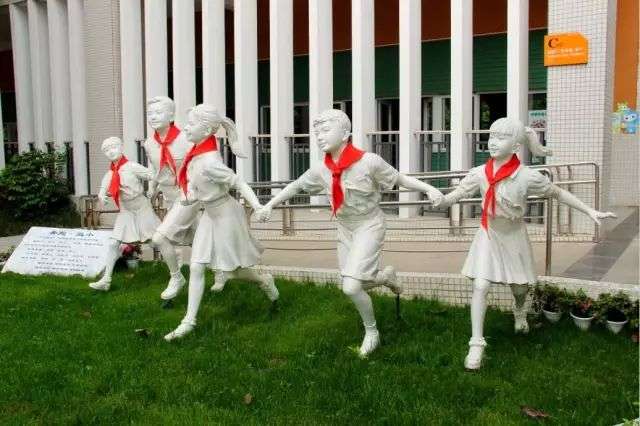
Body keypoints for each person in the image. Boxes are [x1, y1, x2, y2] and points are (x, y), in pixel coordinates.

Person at [256, 109, 444, 357]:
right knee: (354, 280)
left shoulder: (369, 162)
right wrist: (269, 205)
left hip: (369, 224)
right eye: (316, 133)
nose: (319, 137)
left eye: (326, 131)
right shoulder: (321, 169)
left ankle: (372, 332)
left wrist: (429, 189)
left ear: (345, 134)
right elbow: (296, 186)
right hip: (345, 228)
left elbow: (399, 179)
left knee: (351, 287)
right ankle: (386, 278)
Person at [434, 117, 617, 370]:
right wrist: (442, 200)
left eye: (501, 138)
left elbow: (558, 193)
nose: (493, 143)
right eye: (491, 136)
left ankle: (519, 310)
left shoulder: (527, 176)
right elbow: (459, 193)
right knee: (481, 285)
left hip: (514, 236)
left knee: (520, 288)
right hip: (489, 233)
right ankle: (476, 343)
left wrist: (589, 211)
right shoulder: (479, 173)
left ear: (516, 146)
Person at [164, 104, 279, 341]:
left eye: (191, 124)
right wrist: (191, 195)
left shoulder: (210, 162)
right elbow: (196, 184)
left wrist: (257, 206)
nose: (186, 128)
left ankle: (263, 280)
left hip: (226, 215)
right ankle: (189, 321)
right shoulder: (196, 153)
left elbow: (239, 183)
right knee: (196, 266)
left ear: (207, 130)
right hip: (210, 214)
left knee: (234, 271)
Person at [143, 96, 227, 300]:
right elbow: (154, 168)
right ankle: (220, 270)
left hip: (187, 195)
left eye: (159, 112)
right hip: (169, 196)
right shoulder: (149, 144)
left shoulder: (186, 138)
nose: (153, 117)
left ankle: (176, 277)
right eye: (150, 113)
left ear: (171, 115)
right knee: (197, 237)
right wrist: (152, 187)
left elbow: (200, 163)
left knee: (160, 238)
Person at [89, 137, 160, 291]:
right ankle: (106, 280)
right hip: (126, 211)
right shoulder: (110, 174)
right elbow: (103, 190)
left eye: (113, 147)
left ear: (121, 148)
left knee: (157, 240)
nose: (110, 152)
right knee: (113, 243)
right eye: (106, 150)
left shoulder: (132, 167)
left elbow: (153, 175)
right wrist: (102, 196)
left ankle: (176, 272)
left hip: (142, 208)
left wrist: (152, 188)